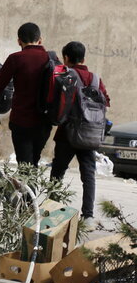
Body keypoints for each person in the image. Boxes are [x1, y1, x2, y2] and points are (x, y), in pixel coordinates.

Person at [48, 42, 110, 220]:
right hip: (90, 135)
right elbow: (106, 103)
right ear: (84, 58)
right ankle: (88, 216)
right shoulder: (96, 79)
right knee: (88, 175)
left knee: (58, 173)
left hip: (67, 134)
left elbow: (60, 103)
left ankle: (52, 211)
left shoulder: (68, 76)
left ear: (66, 58)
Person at [0, 21, 55, 165]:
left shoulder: (16, 58)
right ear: (40, 39)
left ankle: (27, 188)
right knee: (34, 162)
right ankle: (31, 187)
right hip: (44, 121)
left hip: (22, 120)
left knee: (24, 163)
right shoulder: (51, 59)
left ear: (19, 41)